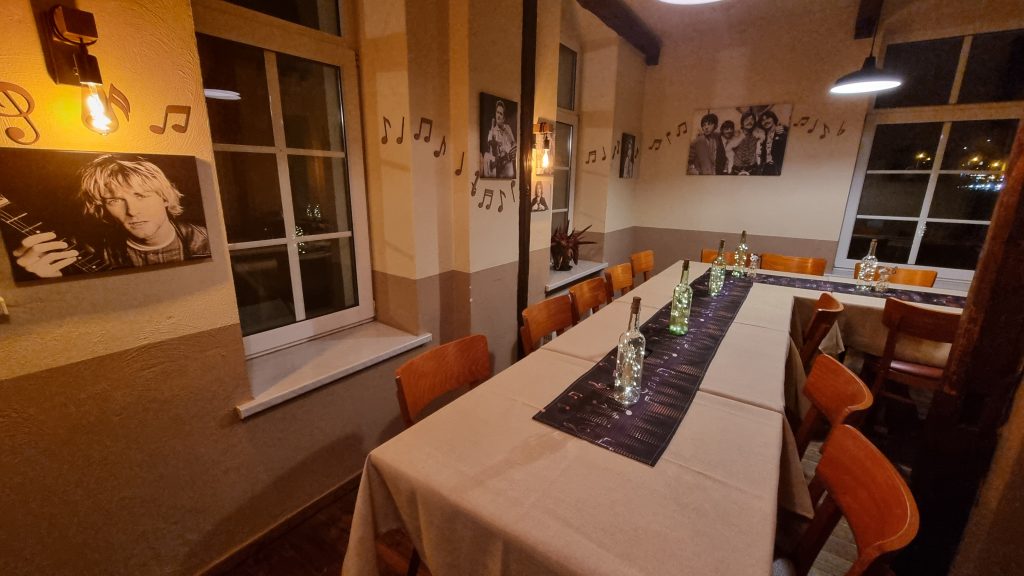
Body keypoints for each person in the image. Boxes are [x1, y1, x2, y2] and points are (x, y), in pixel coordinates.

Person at [12, 154, 210, 278]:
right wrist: (53, 283)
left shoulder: (207, 240)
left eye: (141, 196)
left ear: (165, 198)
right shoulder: (86, 251)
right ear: (104, 208)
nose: (132, 211)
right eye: (114, 200)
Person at [483, 99, 517, 178]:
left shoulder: (508, 128)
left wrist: (505, 131)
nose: (498, 116)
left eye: (500, 114)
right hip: (499, 171)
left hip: (509, 171)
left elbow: (514, 144)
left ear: (504, 118)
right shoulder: (492, 131)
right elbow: (491, 147)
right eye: (497, 112)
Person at [758, 110, 788, 176]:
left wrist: (785, 128)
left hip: (778, 170)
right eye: (762, 120)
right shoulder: (763, 137)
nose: (765, 121)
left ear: (774, 118)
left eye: (768, 118)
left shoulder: (782, 132)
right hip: (766, 169)